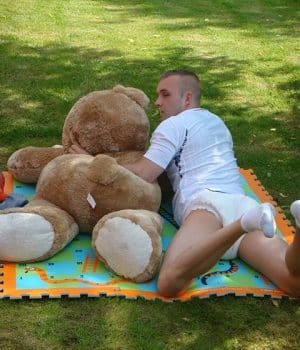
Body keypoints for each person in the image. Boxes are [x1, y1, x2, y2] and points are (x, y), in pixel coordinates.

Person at [70, 70, 300, 297]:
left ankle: (241, 225)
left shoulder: (173, 125)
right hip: (244, 204)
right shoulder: (217, 122)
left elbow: (145, 173)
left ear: (187, 98)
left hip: (208, 207)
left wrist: (90, 159)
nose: (158, 103)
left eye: (165, 94)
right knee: (293, 283)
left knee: (169, 283)